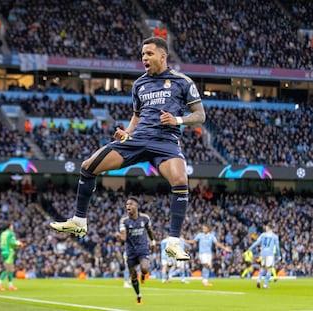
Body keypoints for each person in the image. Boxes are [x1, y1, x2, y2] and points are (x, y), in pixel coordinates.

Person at [50, 36, 206, 261]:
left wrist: (177, 121)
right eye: (143, 54)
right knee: (88, 166)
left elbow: (200, 115)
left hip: (165, 142)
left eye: (149, 54)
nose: (144, 58)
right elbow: (137, 115)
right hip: (137, 139)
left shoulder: (183, 81)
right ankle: (79, 221)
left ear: (163, 55)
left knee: (180, 181)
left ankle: (173, 242)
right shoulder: (139, 84)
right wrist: (127, 132)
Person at [116, 197, 156, 304]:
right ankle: (138, 295)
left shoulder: (145, 218)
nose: (128, 206)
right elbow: (124, 238)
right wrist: (119, 237)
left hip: (143, 249)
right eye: (127, 204)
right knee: (133, 274)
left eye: (130, 204)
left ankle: (143, 275)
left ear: (136, 206)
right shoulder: (124, 220)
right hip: (130, 251)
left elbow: (149, 230)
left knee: (145, 267)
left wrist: (153, 242)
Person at [247, 223, 280, 289]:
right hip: (270, 254)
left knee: (262, 268)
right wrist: (278, 255)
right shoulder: (274, 236)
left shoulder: (263, 235)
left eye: (266, 227)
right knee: (269, 269)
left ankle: (259, 280)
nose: (265, 228)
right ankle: (265, 285)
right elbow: (277, 247)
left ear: (269, 228)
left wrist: (250, 248)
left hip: (263, 253)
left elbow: (256, 243)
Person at [0, 222, 23, 291]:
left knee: (10, 269)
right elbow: (12, 242)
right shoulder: (11, 233)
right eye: (12, 226)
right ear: (9, 227)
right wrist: (19, 244)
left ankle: (10, 285)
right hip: (9, 252)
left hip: (3, 251)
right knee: (7, 269)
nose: (12, 227)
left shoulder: (3, 233)